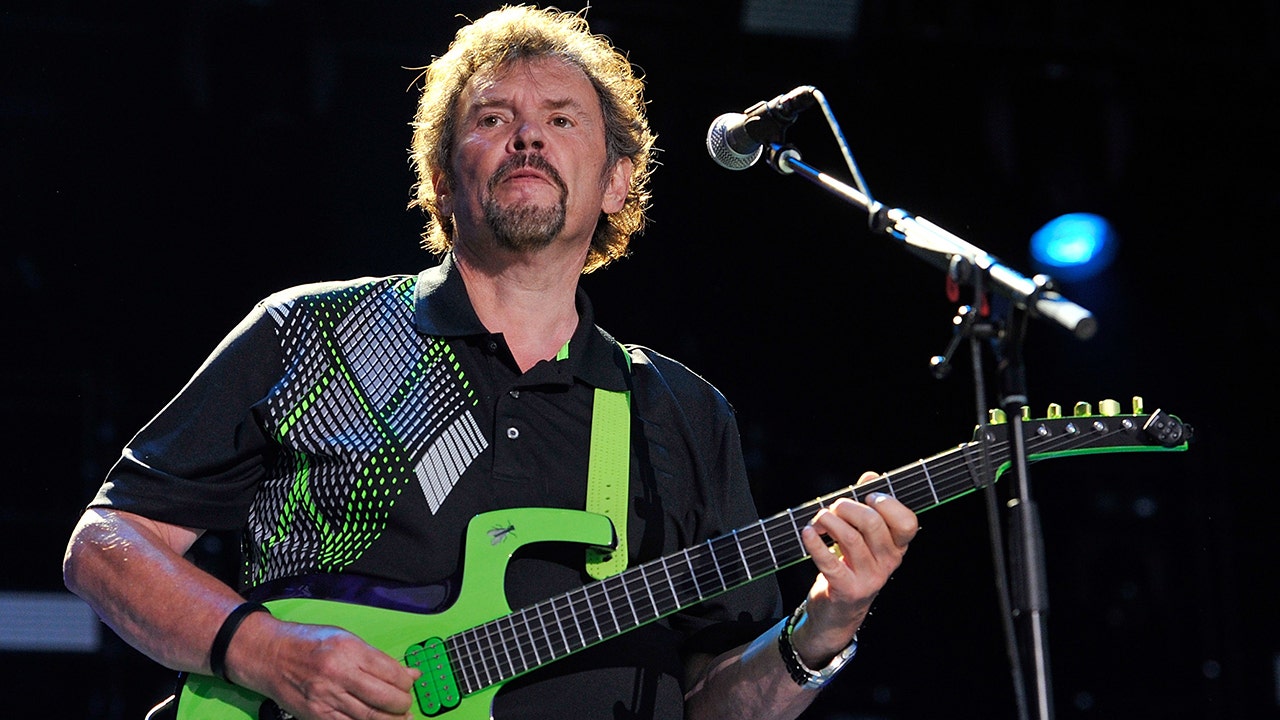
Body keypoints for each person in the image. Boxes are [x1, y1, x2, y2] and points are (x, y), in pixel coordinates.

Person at [63, 5, 918, 720]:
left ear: (617, 182)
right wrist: (265, 651)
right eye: (494, 118)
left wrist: (822, 628)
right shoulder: (313, 332)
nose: (527, 137)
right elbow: (107, 545)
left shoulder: (680, 412)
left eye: (561, 119)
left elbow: (711, 704)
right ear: (441, 177)